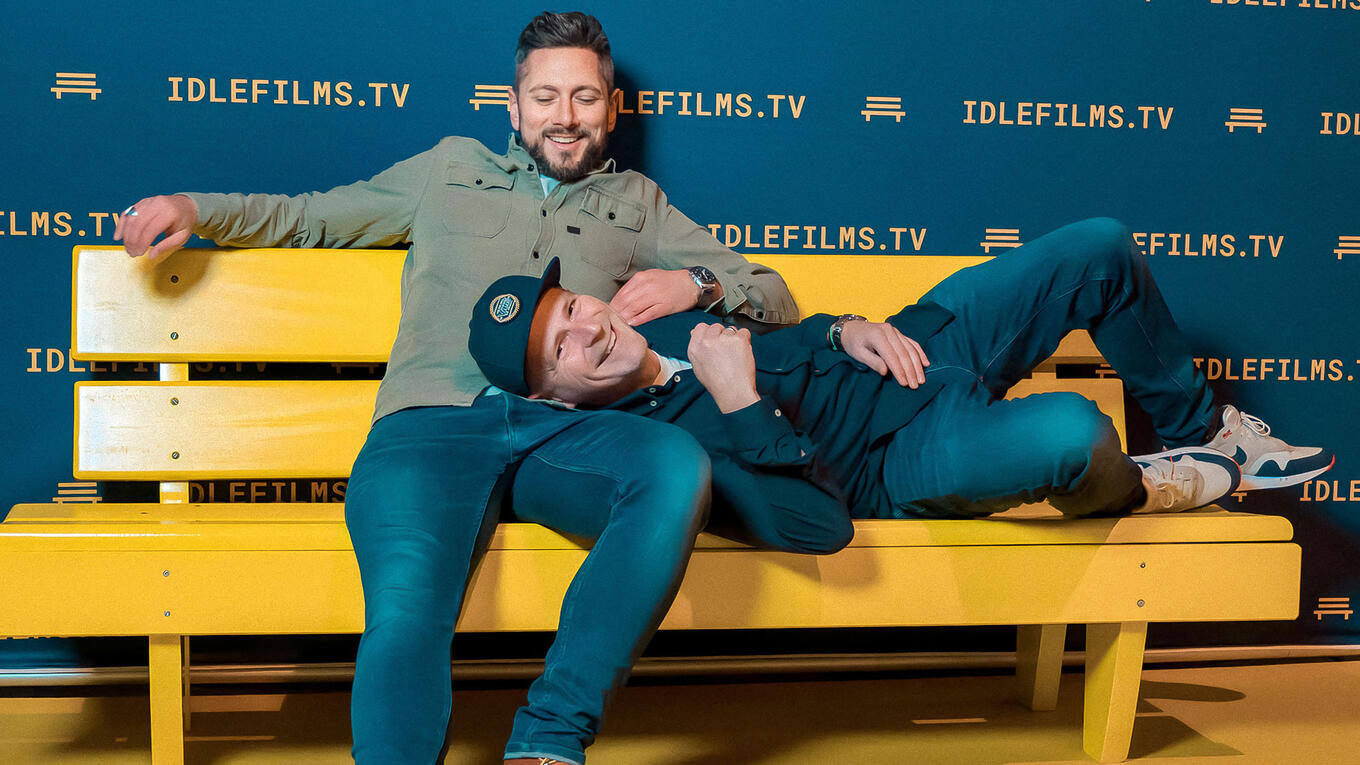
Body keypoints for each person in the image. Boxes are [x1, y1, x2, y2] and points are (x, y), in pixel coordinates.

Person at [113, 12, 798, 765]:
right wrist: (195, 208)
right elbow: (310, 218)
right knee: (408, 607)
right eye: (544, 97)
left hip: (558, 429)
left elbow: (773, 295)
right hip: (429, 427)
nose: (564, 117)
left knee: (673, 465)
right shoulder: (447, 168)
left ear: (610, 108)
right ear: (513, 106)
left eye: (584, 97)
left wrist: (691, 281)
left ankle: (547, 742)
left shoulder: (639, 203)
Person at [468, 218, 1334, 549]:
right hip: (898, 457)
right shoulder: (641, 446)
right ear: (554, 396)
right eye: (562, 347)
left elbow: (788, 327)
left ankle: (1210, 433)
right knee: (1074, 433)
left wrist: (843, 325)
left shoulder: (647, 315)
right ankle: (1141, 490)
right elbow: (810, 523)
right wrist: (737, 398)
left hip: (916, 343)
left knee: (1100, 247)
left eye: (570, 306)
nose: (588, 327)